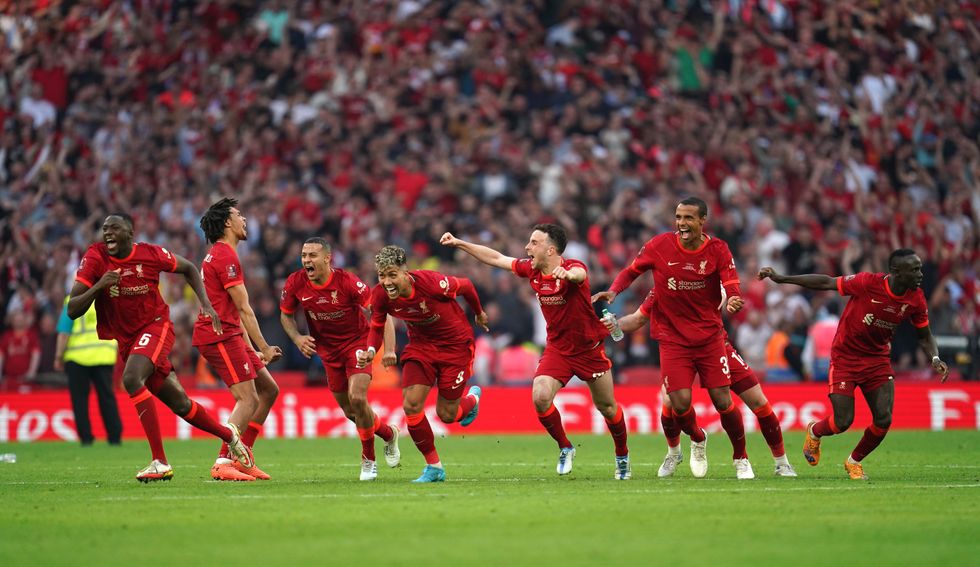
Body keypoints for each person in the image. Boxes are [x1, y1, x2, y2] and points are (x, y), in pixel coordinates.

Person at [68, 213, 252, 482]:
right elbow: (73, 309)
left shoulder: (150, 254)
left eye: (114, 228)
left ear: (130, 233)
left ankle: (159, 462)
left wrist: (206, 303)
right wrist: (100, 285)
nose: (107, 233)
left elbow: (189, 267)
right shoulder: (96, 258)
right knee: (181, 404)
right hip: (129, 341)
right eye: (104, 229)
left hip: (156, 327)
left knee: (131, 378)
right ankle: (230, 435)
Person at [441, 224, 632, 480]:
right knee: (540, 397)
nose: (527, 248)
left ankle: (622, 455)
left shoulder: (574, 266)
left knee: (608, 408)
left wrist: (568, 275)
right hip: (558, 349)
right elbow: (497, 258)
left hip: (589, 348)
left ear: (550, 249)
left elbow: (579, 275)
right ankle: (565, 446)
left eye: (533, 243)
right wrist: (460, 243)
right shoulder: (532, 269)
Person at [592, 197, 752, 479]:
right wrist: (614, 291)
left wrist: (735, 300)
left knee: (722, 400)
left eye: (688, 218)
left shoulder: (718, 250)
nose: (682, 224)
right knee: (677, 404)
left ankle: (741, 458)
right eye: (678, 217)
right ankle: (698, 438)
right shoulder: (659, 246)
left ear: (703, 220)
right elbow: (632, 271)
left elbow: (732, 284)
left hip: (709, 338)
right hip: (673, 340)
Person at [758, 248, 950, 480]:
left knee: (884, 418)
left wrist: (935, 358)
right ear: (896, 272)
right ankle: (815, 431)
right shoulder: (867, 282)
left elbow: (925, 335)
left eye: (920, 268)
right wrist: (783, 278)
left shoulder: (916, 298)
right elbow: (827, 282)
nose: (921, 274)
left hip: (877, 360)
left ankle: (854, 462)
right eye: (915, 269)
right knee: (842, 422)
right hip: (845, 358)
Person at [603, 289, 797, 477]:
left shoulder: (705, 278)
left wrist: (728, 299)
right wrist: (613, 325)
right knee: (671, 401)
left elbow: (721, 297)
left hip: (715, 347)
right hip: (681, 352)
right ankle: (674, 452)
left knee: (757, 402)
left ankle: (780, 463)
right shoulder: (661, 288)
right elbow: (637, 319)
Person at [355, 245, 487, 483]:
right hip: (421, 348)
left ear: (406, 272)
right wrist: (372, 350)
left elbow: (466, 285)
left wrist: (478, 313)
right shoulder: (381, 294)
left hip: (455, 347)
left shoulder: (431, 282)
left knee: (447, 414)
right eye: (382, 276)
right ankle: (434, 467)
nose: (387, 282)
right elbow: (376, 325)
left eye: (392, 274)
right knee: (411, 406)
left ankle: (472, 400)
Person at [280, 237, 401, 481]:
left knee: (358, 398)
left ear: (327, 258)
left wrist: (389, 349)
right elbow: (286, 315)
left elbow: (381, 311)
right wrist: (296, 338)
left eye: (312, 255)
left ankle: (368, 460)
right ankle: (389, 434)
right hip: (328, 353)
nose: (306, 260)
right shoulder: (295, 282)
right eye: (304, 255)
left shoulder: (346, 282)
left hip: (357, 345)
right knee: (351, 411)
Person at [194, 198, 282, 481]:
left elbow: (232, 309)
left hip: (230, 332)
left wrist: (251, 349)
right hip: (219, 335)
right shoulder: (225, 256)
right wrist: (264, 347)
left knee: (268, 390)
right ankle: (222, 462)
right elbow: (244, 308)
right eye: (239, 215)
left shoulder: (219, 254)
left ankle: (242, 458)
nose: (244, 219)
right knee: (247, 398)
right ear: (228, 223)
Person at [54, 297, 123, 446]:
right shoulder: (108, 297)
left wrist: (58, 357)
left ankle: (86, 438)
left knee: (80, 401)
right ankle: (115, 437)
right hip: (104, 355)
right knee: (107, 398)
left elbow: (64, 333)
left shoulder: (71, 300)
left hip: (77, 357)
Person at [0, 311, 40, 391]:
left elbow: (36, 354)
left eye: (20, 320)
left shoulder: (31, 335)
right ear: (12, 321)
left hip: (25, 379)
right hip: (9, 378)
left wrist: (32, 372)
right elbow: (1, 355)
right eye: (16, 320)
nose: (18, 322)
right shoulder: (7, 336)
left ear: (25, 321)